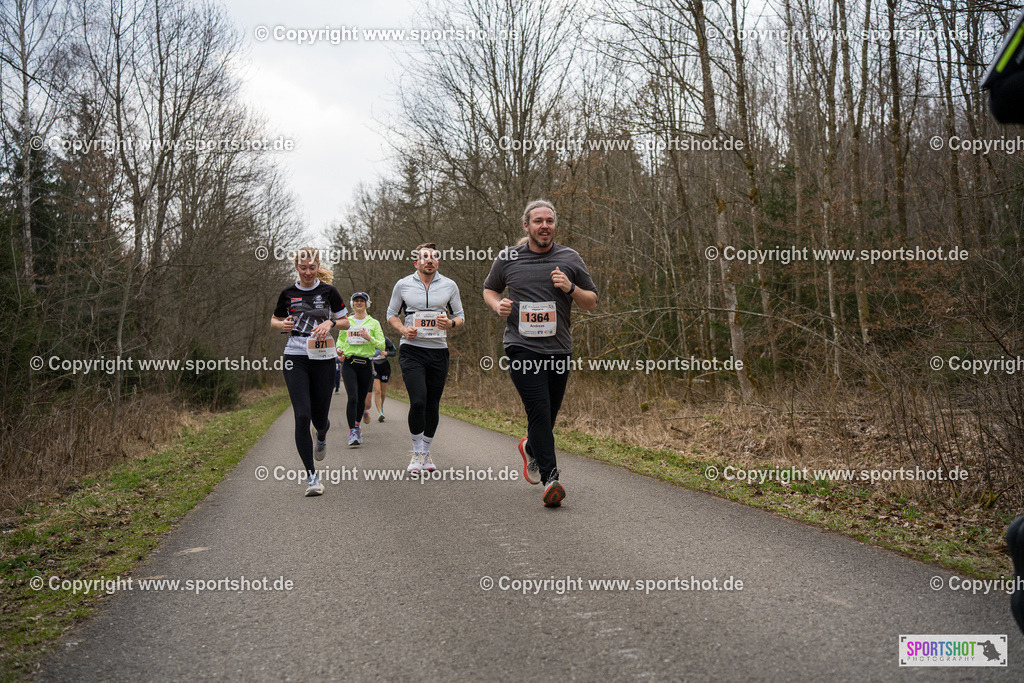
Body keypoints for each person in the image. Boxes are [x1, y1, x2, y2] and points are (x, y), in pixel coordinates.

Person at [483, 200, 598, 507]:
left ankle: (532, 448)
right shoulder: (508, 258)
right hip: (521, 346)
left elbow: (591, 302)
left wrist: (570, 287)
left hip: (559, 349)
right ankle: (551, 480)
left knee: (548, 416)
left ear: (554, 225)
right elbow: (490, 289)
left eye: (549, 221)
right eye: (538, 221)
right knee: (538, 410)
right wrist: (498, 305)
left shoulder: (569, 258)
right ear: (527, 226)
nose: (544, 225)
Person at [271, 246, 349, 497]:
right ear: (296, 267)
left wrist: (331, 322)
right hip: (295, 355)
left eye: (312, 268)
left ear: (318, 267)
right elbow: (274, 320)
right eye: (303, 268)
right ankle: (311, 477)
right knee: (302, 416)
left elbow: (346, 321)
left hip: (323, 357)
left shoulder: (328, 291)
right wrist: (281, 324)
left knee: (318, 418)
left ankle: (323, 433)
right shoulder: (288, 293)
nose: (307, 272)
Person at [386, 243, 465, 473]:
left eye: (433, 257)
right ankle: (417, 453)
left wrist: (450, 323)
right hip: (412, 349)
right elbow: (391, 314)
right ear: (416, 263)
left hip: (438, 351)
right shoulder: (403, 285)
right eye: (424, 257)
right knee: (418, 400)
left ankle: (426, 451)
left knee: (432, 403)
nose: (429, 260)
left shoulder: (450, 285)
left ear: (437, 262)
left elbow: (460, 317)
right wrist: (403, 330)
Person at [336, 292, 386, 447]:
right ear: (352, 304)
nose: (359, 303)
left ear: (367, 304)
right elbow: (341, 340)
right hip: (350, 364)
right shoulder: (346, 322)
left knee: (361, 400)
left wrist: (369, 338)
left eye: (362, 301)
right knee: (352, 397)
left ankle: (357, 426)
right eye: (356, 301)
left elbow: (382, 345)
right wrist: (339, 349)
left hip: (366, 365)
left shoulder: (374, 323)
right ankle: (352, 431)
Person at [365, 335, 399, 422]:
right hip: (373, 365)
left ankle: (381, 407)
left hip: (384, 366)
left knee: (383, 392)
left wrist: (386, 353)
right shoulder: (368, 338)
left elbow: (394, 352)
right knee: (377, 390)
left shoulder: (386, 339)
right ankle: (380, 413)